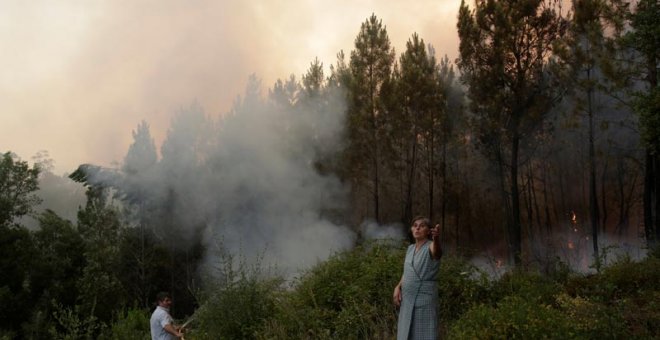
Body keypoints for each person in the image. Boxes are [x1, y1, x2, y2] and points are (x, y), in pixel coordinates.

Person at [393, 216, 442, 340]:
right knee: (406, 334)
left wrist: (436, 239)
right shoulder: (410, 249)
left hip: (424, 299)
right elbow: (407, 272)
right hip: (407, 300)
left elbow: (437, 253)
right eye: (415, 225)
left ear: (428, 231)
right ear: (411, 229)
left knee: (425, 335)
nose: (417, 228)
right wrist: (398, 287)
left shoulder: (431, 246)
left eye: (422, 225)